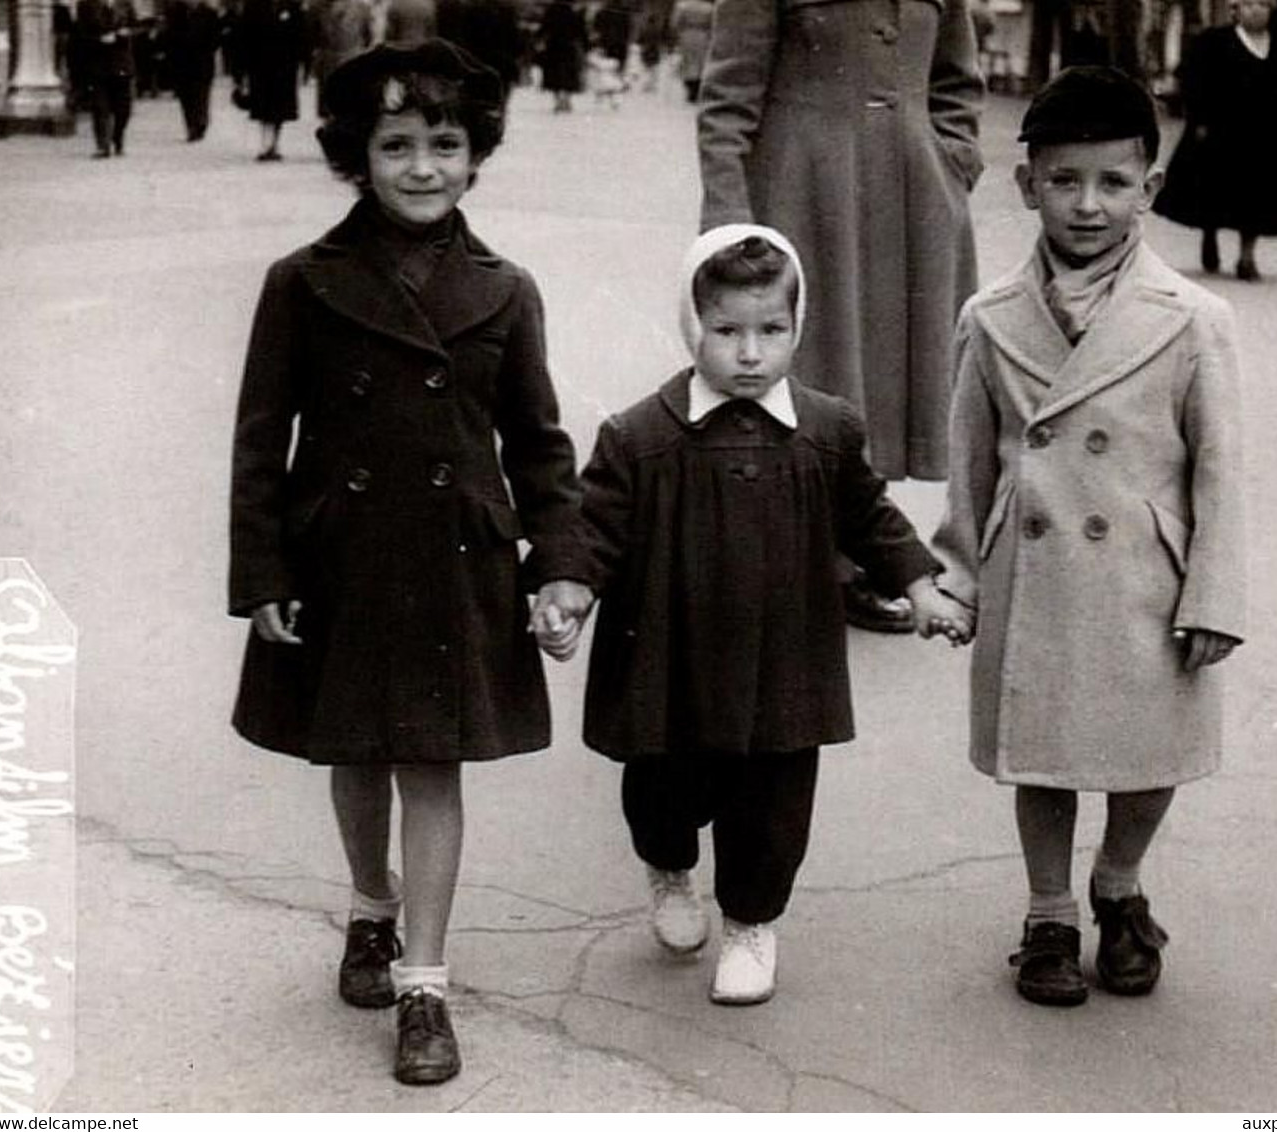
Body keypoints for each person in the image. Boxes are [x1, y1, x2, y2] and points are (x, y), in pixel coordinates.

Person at [228, 39, 585, 1083]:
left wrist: (559, 562)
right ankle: (369, 908)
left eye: (445, 143)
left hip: (457, 562)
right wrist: (262, 575)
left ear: (476, 155)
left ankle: (424, 983)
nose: (423, 166)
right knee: (355, 751)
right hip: (337, 555)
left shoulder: (505, 290)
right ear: (356, 155)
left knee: (432, 760)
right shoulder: (300, 283)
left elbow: (539, 444)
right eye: (397, 145)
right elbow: (260, 442)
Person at [535, 226, 942, 1006]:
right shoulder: (640, 435)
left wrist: (917, 583)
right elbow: (595, 530)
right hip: (669, 656)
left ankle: (752, 925)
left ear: (798, 327)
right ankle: (668, 865)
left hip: (784, 659)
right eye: (726, 332)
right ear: (693, 326)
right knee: (660, 791)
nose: (749, 354)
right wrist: (570, 594)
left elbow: (870, 518)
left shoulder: (826, 431)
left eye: (770, 331)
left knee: (772, 802)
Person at [922, 67, 1247, 1007]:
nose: (1087, 205)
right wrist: (956, 581)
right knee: (1045, 754)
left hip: (1146, 580)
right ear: (1024, 186)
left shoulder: (1193, 320)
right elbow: (969, 461)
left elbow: (1220, 470)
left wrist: (1214, 595)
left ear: (1147, 188)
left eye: (1111, 183)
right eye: (1063, 181)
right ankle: (1048, 912)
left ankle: (1119, 886)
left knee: (1146, 757)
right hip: (1036, 574)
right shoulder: (988, 319)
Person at [696, 0, 984, 633]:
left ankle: (852, 551)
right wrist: (727, 220)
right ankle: (807, 559)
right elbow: (725, 104)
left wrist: (953, 159)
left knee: (883, 377)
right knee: (805, 375)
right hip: (803, 195)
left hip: (913, 199)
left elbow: (957, 79)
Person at [1152, 0, 1277, 279]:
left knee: (1256, 197)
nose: (1256, 10)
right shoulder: (1214, 42)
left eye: (1262, 5)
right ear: (1236, 10)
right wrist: (1200, 119)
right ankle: (1209, 234)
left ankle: (1246, 257)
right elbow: (1193, 81)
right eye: (1249, 4)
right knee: (1215, 192)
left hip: (1265, 136)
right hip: (1222, 133)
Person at [236, 0, 306, 160]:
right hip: (260, 65)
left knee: (280, 108)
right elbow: (244, 36)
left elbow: (301, 35)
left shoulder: (293, 6)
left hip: (285, 66)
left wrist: (301, 62)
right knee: (263, 106)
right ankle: (265, 144)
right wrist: (242, 67)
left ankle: (274, 143)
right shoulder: (254, 6)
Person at [71, 0, 137, 157]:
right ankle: (103, 145)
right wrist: (98, 40)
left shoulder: (125, 3)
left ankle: (117, 136)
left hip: (121, 63)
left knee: (123, 109)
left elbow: (135, 26)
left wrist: (127, 33)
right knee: (100, 107)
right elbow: (79, 35)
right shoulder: (86, 4)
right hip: (97, 63)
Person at [164, 0, 221, 141]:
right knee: (186, 96)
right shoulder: (174, 12)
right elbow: (169, 36)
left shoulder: (209, 13)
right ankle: (191, 126)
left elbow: (216, 37)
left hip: (203, 61)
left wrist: (208, 50)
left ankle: (201, 121)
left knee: (202, 94)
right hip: (182, 62)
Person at [311, 0, 372, 117]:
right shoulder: (363, 8)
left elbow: (312, 38)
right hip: (353, 61)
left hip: (328, 63)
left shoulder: (318, 7)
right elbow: (368, 39)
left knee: (328, 109)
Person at [536, 0, 585, 112]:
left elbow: (544, 27)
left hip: (554, 46)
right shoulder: (574, 12)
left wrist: (538, 38)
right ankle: (567, 99)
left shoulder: (552, 11)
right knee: (569, 73)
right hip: (569, 46)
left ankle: (557, 100)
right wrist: (586, 45)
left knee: (554, 74)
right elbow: (581, 31)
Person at [668, 0, 709, 103]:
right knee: (700, 62)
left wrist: (675, 36)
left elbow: (675, 23)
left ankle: (690, 86)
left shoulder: (682, 6)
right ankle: (697, 86)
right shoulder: (709, 8)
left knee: (687, 62)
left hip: (686, 34)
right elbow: (712, 24)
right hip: (702, 35)